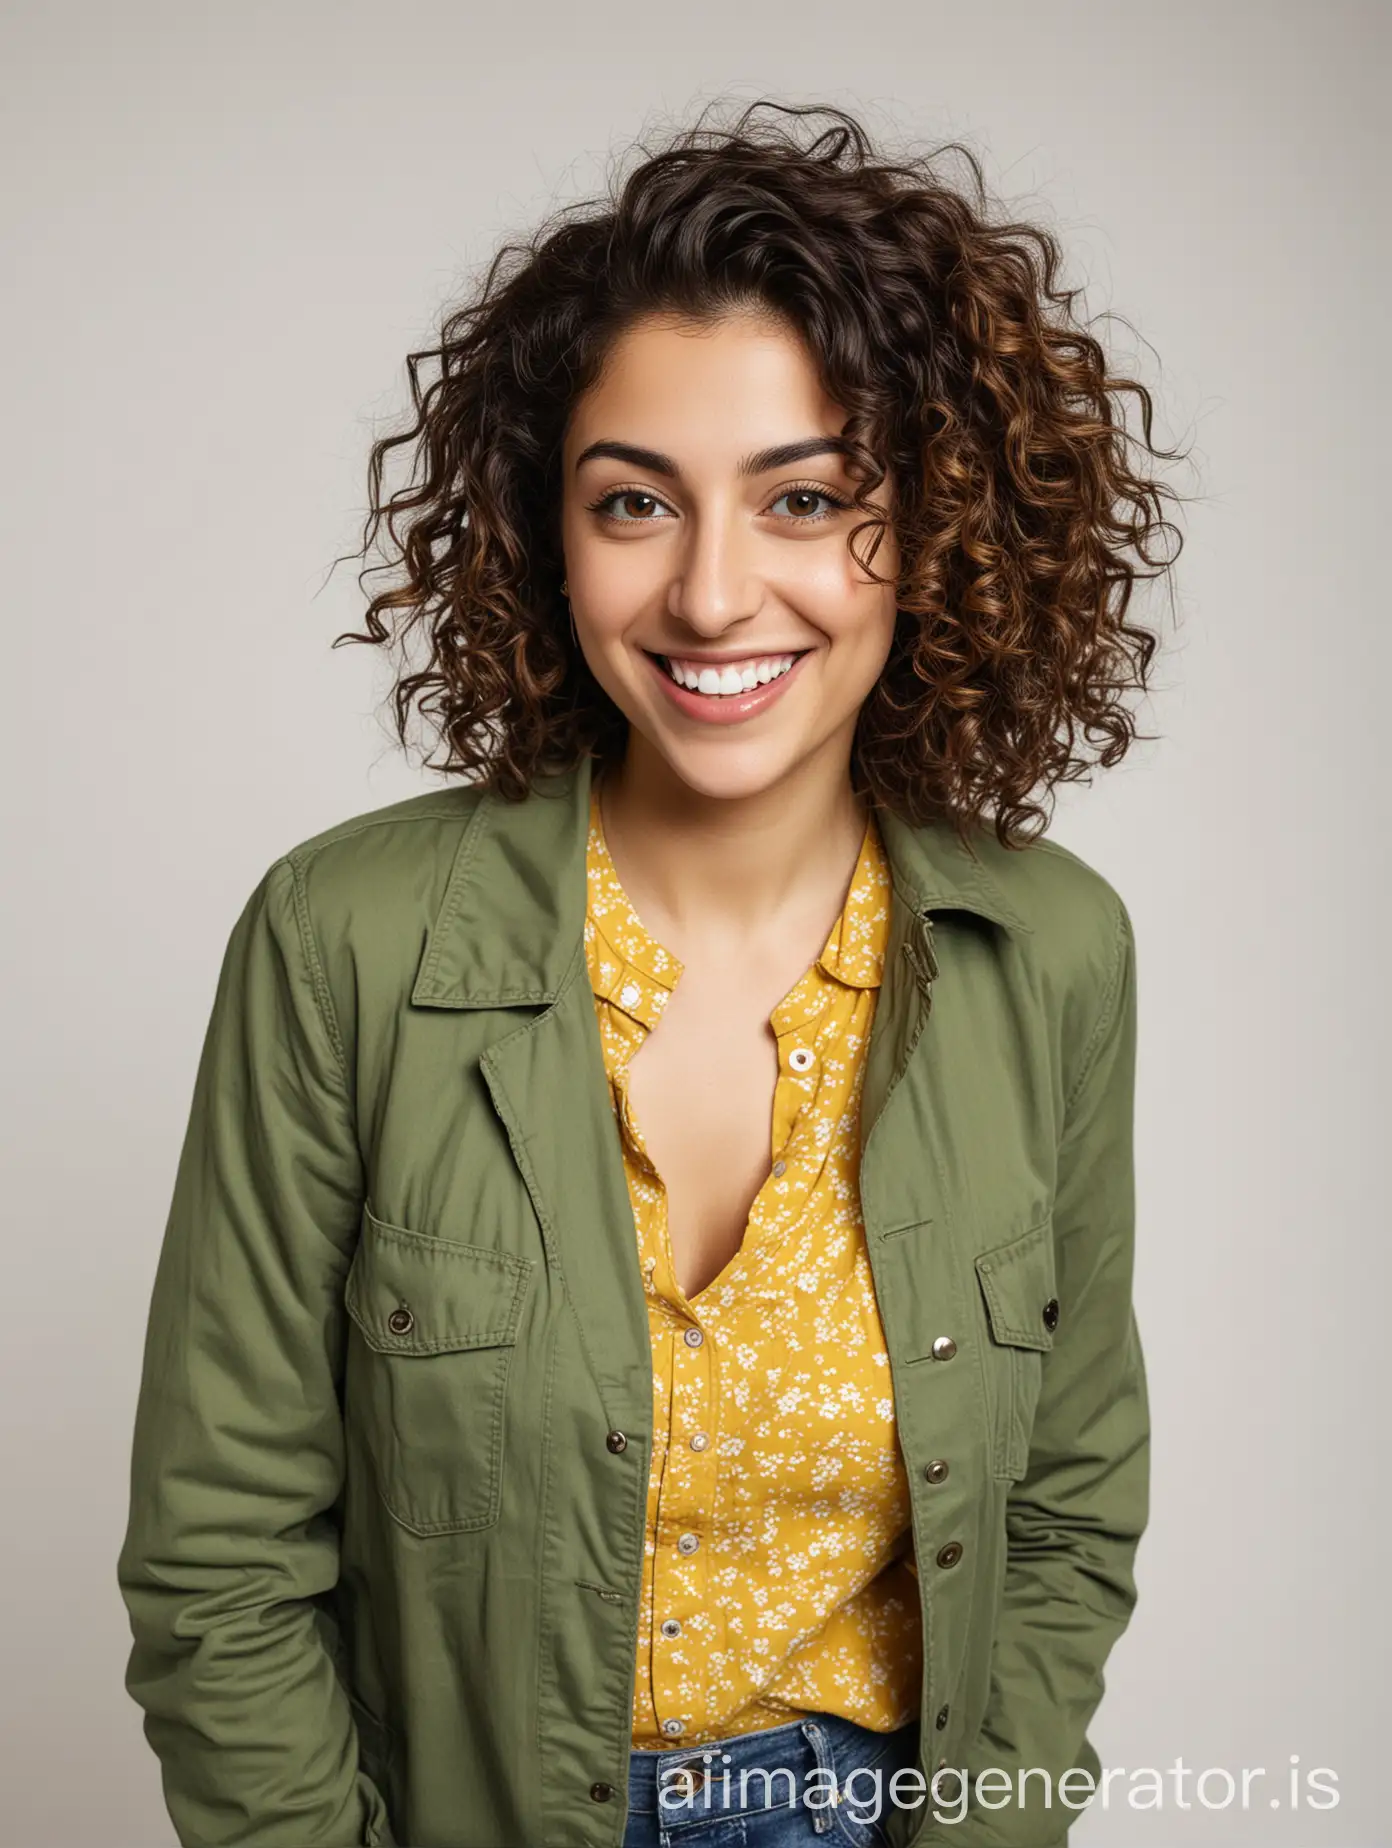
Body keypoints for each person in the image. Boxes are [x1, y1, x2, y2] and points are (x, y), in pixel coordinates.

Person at [116, 97, 1180, 1848]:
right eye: (635, 503)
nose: (710, 592)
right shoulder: (345, 943)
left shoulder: (1052, 953)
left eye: (806, 499)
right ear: (548, 531)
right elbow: (221, 1561)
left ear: (930, 528)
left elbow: (1065, 1503)